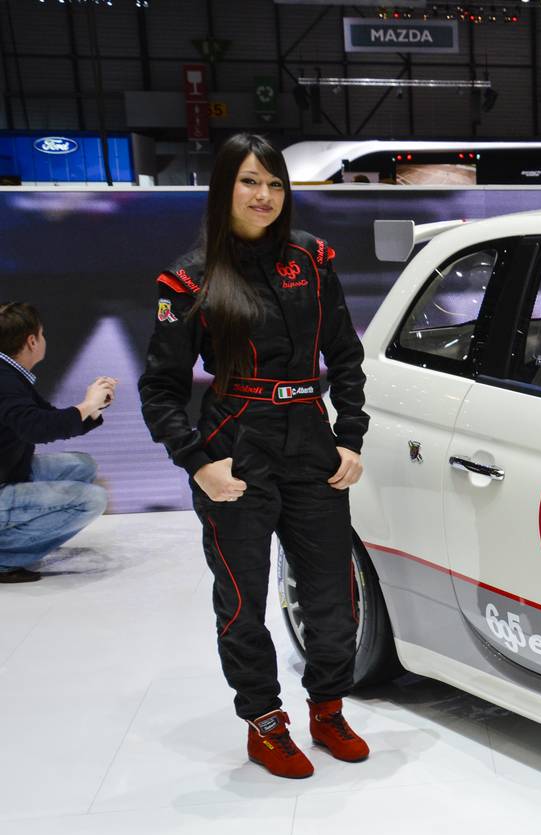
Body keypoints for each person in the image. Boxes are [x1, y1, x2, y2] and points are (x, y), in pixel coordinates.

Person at [139, 133, 371, 779]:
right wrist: (197, 460)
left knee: (332, 594)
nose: (263, 195)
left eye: (273, 183)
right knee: (242, 598)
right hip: (234, 447)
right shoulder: (186, 279)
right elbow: (159, 388)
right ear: (223, 190)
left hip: (312, 441)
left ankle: (328, 707)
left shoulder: (313, 259)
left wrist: (350, 434)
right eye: (248, 181)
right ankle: (265, 724)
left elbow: (346, 357)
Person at [0, 303, 111, 583]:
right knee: (91, 499)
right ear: (32, 340)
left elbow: (45, 417)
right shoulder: (5, 381)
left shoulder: (9, 374)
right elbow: (36, 429)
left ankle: (24, 537)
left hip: (8, 471)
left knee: (81, 467)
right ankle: (5, 560)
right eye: (43, 333)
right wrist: (86, 405)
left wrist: (92, 408)